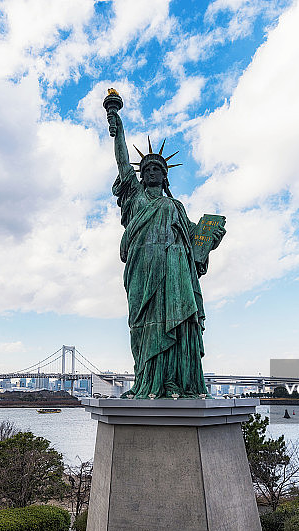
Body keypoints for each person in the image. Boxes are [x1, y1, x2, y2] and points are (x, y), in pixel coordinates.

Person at [108, 108, 224, 398]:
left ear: (165, 176)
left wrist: (212, 238)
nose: (151, 172)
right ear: (141, 176)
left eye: (157, 169)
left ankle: (175, 381)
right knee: (142, 325)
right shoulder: (134, 198)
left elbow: (195, 239)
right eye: (146, 169)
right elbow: (123, 163)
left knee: (179, 322)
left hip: (174, 271)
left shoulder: (176, 207)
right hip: (142, 266)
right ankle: (147, 379)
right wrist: (118, 127)